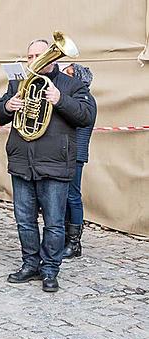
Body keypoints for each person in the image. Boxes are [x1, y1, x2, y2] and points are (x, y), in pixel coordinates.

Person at [0, 40, 96, 292]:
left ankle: (50, 269)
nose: (34, 60)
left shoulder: (72, 85)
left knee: (53, 222)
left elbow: (86, 116)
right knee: (24, 221)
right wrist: (8, 106)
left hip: (55, 164)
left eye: (39, 54)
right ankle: (30, 264)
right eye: (30, 56)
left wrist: (60, 99)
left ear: (54, 57)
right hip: (22, 162)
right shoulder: (18, 85)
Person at [62, 63, 96, 259]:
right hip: (68, 154)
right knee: (66, 197)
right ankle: (67, 238)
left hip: (75, 155)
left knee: (73, 197)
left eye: (69, 75)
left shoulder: (85, 101)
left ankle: (74, 243)